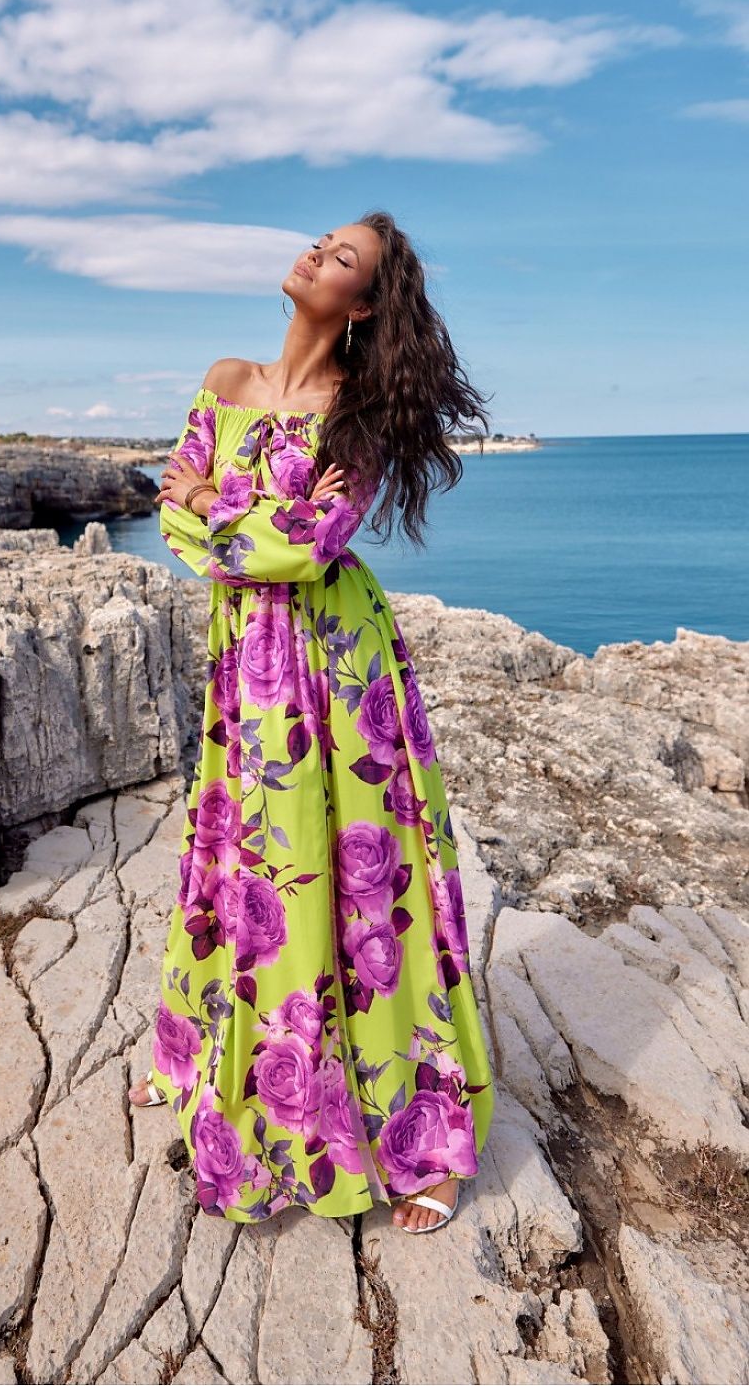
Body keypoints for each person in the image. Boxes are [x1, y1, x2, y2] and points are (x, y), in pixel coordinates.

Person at [130, 209, 495, 1236]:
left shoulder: (362, 407)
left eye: (340, 260)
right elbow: (174, 522)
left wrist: (221, 505)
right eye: (318, 243)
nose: (314, 257)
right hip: (246, 670)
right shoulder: (227, 378)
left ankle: (419, 1139)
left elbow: (309, 548)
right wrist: (235, 515)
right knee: (250, 865)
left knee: (367, 877)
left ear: (365, 303)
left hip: (339, 669)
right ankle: (229, 1071)